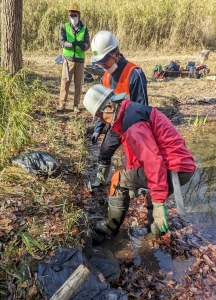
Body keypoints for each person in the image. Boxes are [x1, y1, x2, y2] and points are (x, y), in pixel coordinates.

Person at [83, 84, 196, 238]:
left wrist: (158, 203)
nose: (102, 121)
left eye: (100, 116)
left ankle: (110, 228)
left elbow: (152, 161)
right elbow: (134, 153)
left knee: (117, 180)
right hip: (181, 167)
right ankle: (155, 235)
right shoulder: (129, 112)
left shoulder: (132, 123)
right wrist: (132, 177)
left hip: (173, 167)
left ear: (109, 106)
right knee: (151, 196)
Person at [89, 30, 148, 187]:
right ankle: (100, 181)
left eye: (104, 61)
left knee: (133, 159)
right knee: (104, 152)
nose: (103, 66)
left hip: (133, 126)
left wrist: (139, 136)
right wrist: (97, 129)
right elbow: (103, 107)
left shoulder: (134, 74)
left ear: (115, 53)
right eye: (99, 63)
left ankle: (137, 187)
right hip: (116, 125)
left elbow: (143, 108)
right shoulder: (105, 77)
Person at [57, 3, 90, 113]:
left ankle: (76, 105)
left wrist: (83, 46)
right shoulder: (64, 27)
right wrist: (71, 44)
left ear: (79, 15)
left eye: (75, 15)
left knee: (78, 84)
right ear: (69, 16)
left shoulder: (84, 29)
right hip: (68, 60)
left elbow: (87, 44)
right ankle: (62, 104)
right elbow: (62, 42)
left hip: (80, 61)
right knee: (65, 83)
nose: (73, 17)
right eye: (71, 15)